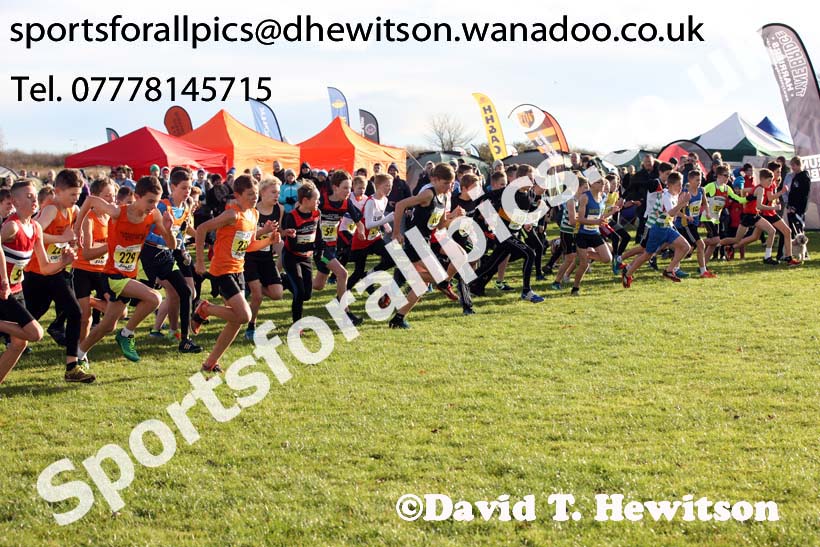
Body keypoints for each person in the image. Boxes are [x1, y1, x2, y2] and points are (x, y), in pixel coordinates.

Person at [75, 176, 175, 363]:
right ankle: (126, 334)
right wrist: (77, 227)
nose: (153, 206)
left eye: (156, 202)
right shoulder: (117, 212)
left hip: (129, 275)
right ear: (137, 196)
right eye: (150, 201)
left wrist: (168, 229)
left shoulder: (154, 215)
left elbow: (171, 245)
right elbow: (89, 200)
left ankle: (79, 355)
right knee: (154, 298)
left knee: (106, 326)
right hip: (113, 275)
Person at [0, 180, 85, 384]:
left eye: (34, 196)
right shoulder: (12, 226)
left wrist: (64, 261)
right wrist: (3, 278)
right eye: (28, 197)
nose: (34, 200)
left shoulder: (36, 227)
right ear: (15, 201)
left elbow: (45, 267)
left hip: (17, 288)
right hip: (3, 289)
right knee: (35, 333)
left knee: (19, 343)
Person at [191, 175, 277, 372]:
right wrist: (200, 261)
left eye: (256, 194)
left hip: (239, 270)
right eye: (250, 195)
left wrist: (269, 240)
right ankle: (205, 309)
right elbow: (202, 229)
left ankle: (210, 363)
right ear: (237, 195)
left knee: (236, 320)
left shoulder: (254, 214)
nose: (254, 198)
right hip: (222, 270)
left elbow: (249, 245)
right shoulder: (232, 214)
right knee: (244, 316)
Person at [22, 169, 86, 375]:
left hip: (55, 270)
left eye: (78, 194)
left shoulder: (73, 210)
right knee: (28, 318)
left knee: (74, 312)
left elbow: (71, 232)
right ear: (58, 191)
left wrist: (74, 240)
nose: (75, 198)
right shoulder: (51, 209)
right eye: (72, 194)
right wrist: (61, 239)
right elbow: (34, 232)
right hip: (37, 272)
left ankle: (72, 365)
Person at [388, 163, 463, 329]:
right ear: (434, 180)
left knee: (421, 286)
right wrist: (396, 232)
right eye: (445, 183)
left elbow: (441, 225)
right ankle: (406, 277)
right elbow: (400, 205)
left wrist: (455, 217)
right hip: (415, 239)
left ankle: (398, 318)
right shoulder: (428, 194)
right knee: (440, 278)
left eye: (451, 183)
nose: (449, 187)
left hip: (425, 240)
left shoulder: (444, 197)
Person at [141, 167, 201, 353]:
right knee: (125, 305)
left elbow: (178, 234)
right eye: (183, 188)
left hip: (167, 255)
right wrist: (165, 240)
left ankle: (184, 339)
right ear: (173, 187)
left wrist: (182, 249)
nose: (187, 192)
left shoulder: (184, 208)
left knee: (185, 292)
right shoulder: (162, 206)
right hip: (150, 254)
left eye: (189, 188)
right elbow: (145, 233)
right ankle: (132, 331)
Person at [622, 170, 691, 286]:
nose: (681, 188)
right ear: (670, 185)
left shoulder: (673, 195)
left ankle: (669, 270)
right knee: (646, 255)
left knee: (685, 247)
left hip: (668, 227)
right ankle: (628, 273)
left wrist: (684, 213)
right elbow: (671, 213)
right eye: (678, 185)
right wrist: (682, 204)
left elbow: (672, 212)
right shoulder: (666, 196)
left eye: (681, 184)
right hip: (658, 229)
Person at [312, 171, 364, 325]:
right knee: (342, 273)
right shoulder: (322, 201)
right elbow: (303, 210)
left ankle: (287, 281)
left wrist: (360, 231)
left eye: (350, 188)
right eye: (345, 188)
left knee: (318, 285)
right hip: (320, 248)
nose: (348, 191)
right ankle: (344, 313)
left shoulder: (346, 203)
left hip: (331, 247)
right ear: (335, 187)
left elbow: (359, 221)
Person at [73, 178, 116, 345]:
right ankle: (81, 350)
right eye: (107, 196)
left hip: (102, 272)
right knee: (86, 318)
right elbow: (88, 253)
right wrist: (110, 244)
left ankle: (86, 300)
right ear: (96, 198)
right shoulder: (88, 219)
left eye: (113, 195)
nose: (111, 199)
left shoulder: (111, 218)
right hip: (83, 270)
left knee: (119, 313)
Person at [243, 178, 284, 341]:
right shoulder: (252, 210)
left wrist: (283, 234)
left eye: (278, 193)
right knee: (258, 296)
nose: (276, 196)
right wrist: (263, 231)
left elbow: (277, 231)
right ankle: (251, 326)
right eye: (273, 192)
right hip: (250, 256)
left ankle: (250, 285)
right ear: (262, 192)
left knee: (277, 294)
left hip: (267, 257)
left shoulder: (279, 209)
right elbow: (246, 237)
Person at [281, 181, 320, 324]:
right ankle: (297, 325)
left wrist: (320, 247)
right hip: (291, 257)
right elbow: (293, 246)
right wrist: (313, 246)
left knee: (307, 295)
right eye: (316, 199)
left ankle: (284, 279)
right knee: (299, 292)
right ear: (305, 200)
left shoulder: (317, 213)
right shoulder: (292, 216)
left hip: (306, 257)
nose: (318, 202)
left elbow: (318, 233)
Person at [571, 175, 614, 295]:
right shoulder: (585, 197)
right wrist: (596, 222)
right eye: (599, 182)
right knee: (584, 265)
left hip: (595, 233)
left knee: (607, 258)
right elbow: (580, 219)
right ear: (592, 184)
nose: (603, 185)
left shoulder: (603, 196)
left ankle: (585, 255)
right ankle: (575, 288)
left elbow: (599, 216)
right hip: (582, 234)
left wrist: (611, 213)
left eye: (603, 182)